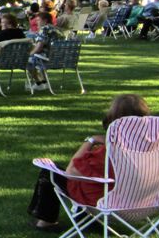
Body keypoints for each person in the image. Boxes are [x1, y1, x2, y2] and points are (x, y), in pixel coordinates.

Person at [28, 94, 151, 230]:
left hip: (105, 202)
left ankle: (45, 223)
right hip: (143, 203)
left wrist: (90, 141)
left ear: (114, 120)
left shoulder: (108, 153)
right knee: (95, 181)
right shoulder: (152, 149)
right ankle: (85, 218)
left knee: (48, 173)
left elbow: (71, 172)